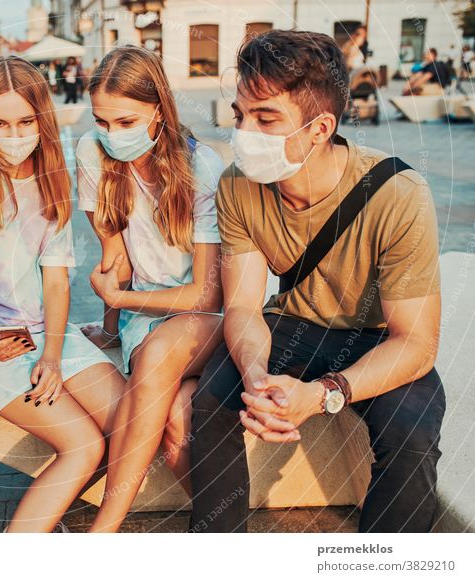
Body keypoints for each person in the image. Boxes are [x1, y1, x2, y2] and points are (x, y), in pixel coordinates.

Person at [190, 30, 444, 533]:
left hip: (376, 336)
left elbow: (417, 342)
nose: (244, 133)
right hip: (292, 325)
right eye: (240, 115)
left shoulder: (398, 193)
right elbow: (242, 306)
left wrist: (326, 393)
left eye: (266, 119)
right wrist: (258, 375)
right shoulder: (237, 185)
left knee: (412, 428)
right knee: (213, 401)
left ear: (319, 128)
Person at [0, 56, 126, 533]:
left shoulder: (52, 184)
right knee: (84, 445)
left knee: (132, 425)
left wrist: (54, 356)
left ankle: (48, 515)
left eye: (24, 122)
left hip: (50, 337)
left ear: (42, 120)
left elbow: (57, 281)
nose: (13, 135)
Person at [76, 46, 225, 533]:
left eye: (125, 121)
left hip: (206, 320)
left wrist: (120, 301)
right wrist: (110, 325)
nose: (111, 135)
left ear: (159, 109)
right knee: (178, 417)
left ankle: (104, 531)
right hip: (145, 318)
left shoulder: (203, 169)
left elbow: (207, 294)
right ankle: (226, 533)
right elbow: (114, 256)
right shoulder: (91, 153)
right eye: (102, 121)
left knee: (160, 355)